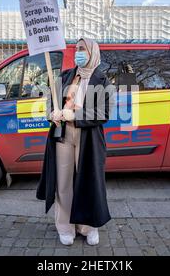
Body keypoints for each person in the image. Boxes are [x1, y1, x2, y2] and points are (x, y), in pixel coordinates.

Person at [36, 37, 114, 246]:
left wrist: (74, 116)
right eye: (76, 48)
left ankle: (88, 227)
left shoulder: (103, 81)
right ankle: (65, 227)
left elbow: (104, 113)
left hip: (88, 137)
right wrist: (52, 113)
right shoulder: (65, 76)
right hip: (62, 135)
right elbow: (50, 103)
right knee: (63, 183)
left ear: (92, 52)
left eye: (83, 49)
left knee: (89, 181)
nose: (78, 52)